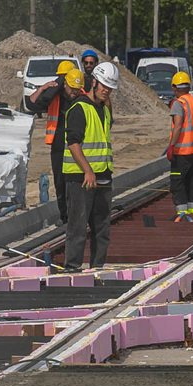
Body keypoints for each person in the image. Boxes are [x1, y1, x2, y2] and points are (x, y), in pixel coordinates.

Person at [61, 62, 117, 268]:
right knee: (78, 226)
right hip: (81, 178)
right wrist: (88, 171)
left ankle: (97, 268)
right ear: (94, 82)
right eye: (103, 85)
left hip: (103, 175)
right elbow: (73, 143)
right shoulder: (79, 108)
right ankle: (72, 268)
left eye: (110, 88)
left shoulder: (104, 108)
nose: (106, 90)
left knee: (102, 228)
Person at [25, 58, 75, 215]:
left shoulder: (79, 94)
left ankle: (75, 211)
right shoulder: (54, 96)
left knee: (73, 182)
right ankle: (64, 214)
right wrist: (43, 88)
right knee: (60, 182)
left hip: (76, 143)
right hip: (59, 144)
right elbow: (31, 104)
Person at [166, 68, 193, 222]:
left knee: (177, 180)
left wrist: (171, 146)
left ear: (175, 87)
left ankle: (182, 211)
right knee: (191, 178)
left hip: (182, 150)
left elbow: (177, 126)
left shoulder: (179, 103)